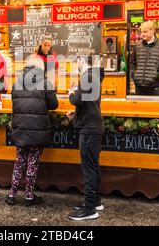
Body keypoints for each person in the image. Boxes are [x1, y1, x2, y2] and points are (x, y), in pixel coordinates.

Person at [6, 55, 58, 206]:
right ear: (40, 68)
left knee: (20, 160)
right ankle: (29, 196)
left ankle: (12, 194)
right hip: (37, 129)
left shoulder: (16, 84)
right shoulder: (45, 83)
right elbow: (54, 104)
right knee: (32, 162)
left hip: (20, 128)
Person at [67, 55, 104, 221]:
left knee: (88, 168)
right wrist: (76, 115)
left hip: (89, 129)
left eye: (77, 62)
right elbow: (88, 104)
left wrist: (71, 92)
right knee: (93, 166)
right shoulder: (94, 76)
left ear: (81, 61)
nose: (77, 65)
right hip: (94, 126)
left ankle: (90, 209)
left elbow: (76, 99)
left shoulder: (87, 76)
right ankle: (95, 201)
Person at [130, 20, 159, 96]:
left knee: (155, 107)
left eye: (145, 32)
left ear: (152, 31)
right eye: (141, 32)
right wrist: (135, 75)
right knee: (139, 108)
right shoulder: (137, 45)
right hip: (139, 86)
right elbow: (132, 63)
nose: (142, 34)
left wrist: (156, 76)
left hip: (155, 87)